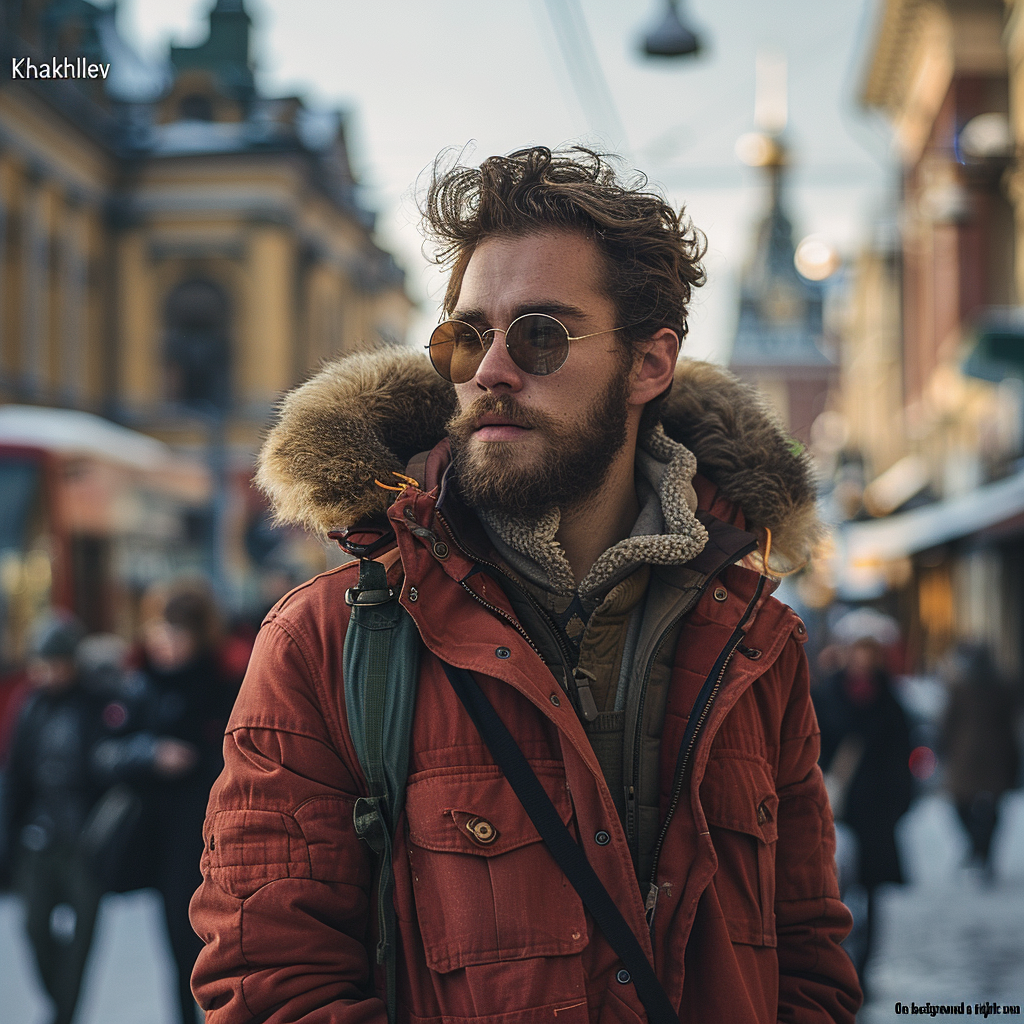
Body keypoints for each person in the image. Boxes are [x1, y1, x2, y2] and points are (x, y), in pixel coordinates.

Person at [190, 145, 862, 1023]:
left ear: (649, 364)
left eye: (541, 335)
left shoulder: (755, 640)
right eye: (467, 337)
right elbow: (268, 987)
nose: (489, 372)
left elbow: (808, 960)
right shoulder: (326, 643)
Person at [136, 580, 241, 1024]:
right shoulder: (142, 685)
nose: (166, 644)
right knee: (177, 948)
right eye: (161, 632)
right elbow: (108, 751)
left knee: (219, 948)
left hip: (216, 837)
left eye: (176, 634)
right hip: (162, 838)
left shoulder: (223, 684)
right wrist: (149, 754)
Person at [0, 611, 106, 1024]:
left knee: (81, 940)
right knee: (34, 930)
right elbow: (15, 775)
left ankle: (65, 1015)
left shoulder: (98, 703)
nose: (49, 672)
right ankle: (61, 1008)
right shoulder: (30, 705)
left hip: (84, 839)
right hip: (38, 837)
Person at [813, 610, 913, 992]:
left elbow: (902, 757)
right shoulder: (825, 694)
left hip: (876, 814)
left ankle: (864, 971)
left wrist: (897, 804)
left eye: (870, 652)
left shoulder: (891, 700)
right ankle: (839, 965)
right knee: (833, 892)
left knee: (871, 897)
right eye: (858, 650)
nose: (863, 659)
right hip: (833, 809)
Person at [939, 643, 1021, 877]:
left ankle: (978, 847)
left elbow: (947, 722)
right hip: (992, 756)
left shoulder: (962, 687)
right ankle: (982, 849)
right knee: (989, 809)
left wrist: (945, 747)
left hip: (967, 757)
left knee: (963, 805)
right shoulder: (1002, 687)